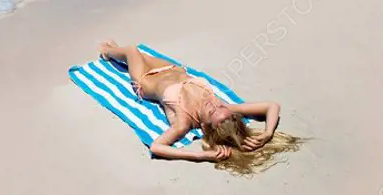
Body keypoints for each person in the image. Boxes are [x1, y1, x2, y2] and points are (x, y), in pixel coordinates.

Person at [99, 40, 285, 168]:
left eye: (212, 111)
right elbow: (272, 106)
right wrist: (268, 133)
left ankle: (107, 52)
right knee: (132, 52)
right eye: (220, 107)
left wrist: (201, 156)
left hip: (144, 79)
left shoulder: (183, 121)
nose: (215, 105)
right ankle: (115, 50)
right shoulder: (224, 110)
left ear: (205, 126)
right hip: (170, 69)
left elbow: (156, 147)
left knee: (131, 50)